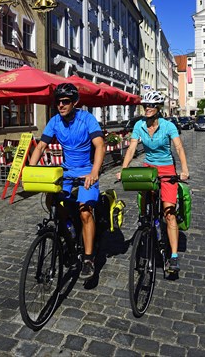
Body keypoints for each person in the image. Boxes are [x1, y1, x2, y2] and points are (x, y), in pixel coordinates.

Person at [30, 83, 105, 280]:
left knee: (85, 211)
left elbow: (99, 145)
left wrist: (94, 172)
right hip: (66, 171)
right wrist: (31, 169)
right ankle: (69, 235)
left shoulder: (87, 119)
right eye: (58, 102)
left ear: (75, 102)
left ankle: (88, 259)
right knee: (52, 203)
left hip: (86, 172)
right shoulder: (54, 121)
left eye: (65, 102)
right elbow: (40, 147)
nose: (61, 105)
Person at [117, 90, 189, 273]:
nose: (147, 108)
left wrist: (184, 170)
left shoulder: (168, 126)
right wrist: (123, 170)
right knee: (144, 201)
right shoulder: (139, 125)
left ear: (158, 108)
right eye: (145, 105)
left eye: (151, 105)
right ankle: (145, 222)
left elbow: (179, 148)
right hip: (149, 168)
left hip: (166, 169)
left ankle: (173, 256)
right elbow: (132, 148)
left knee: (169, 212)